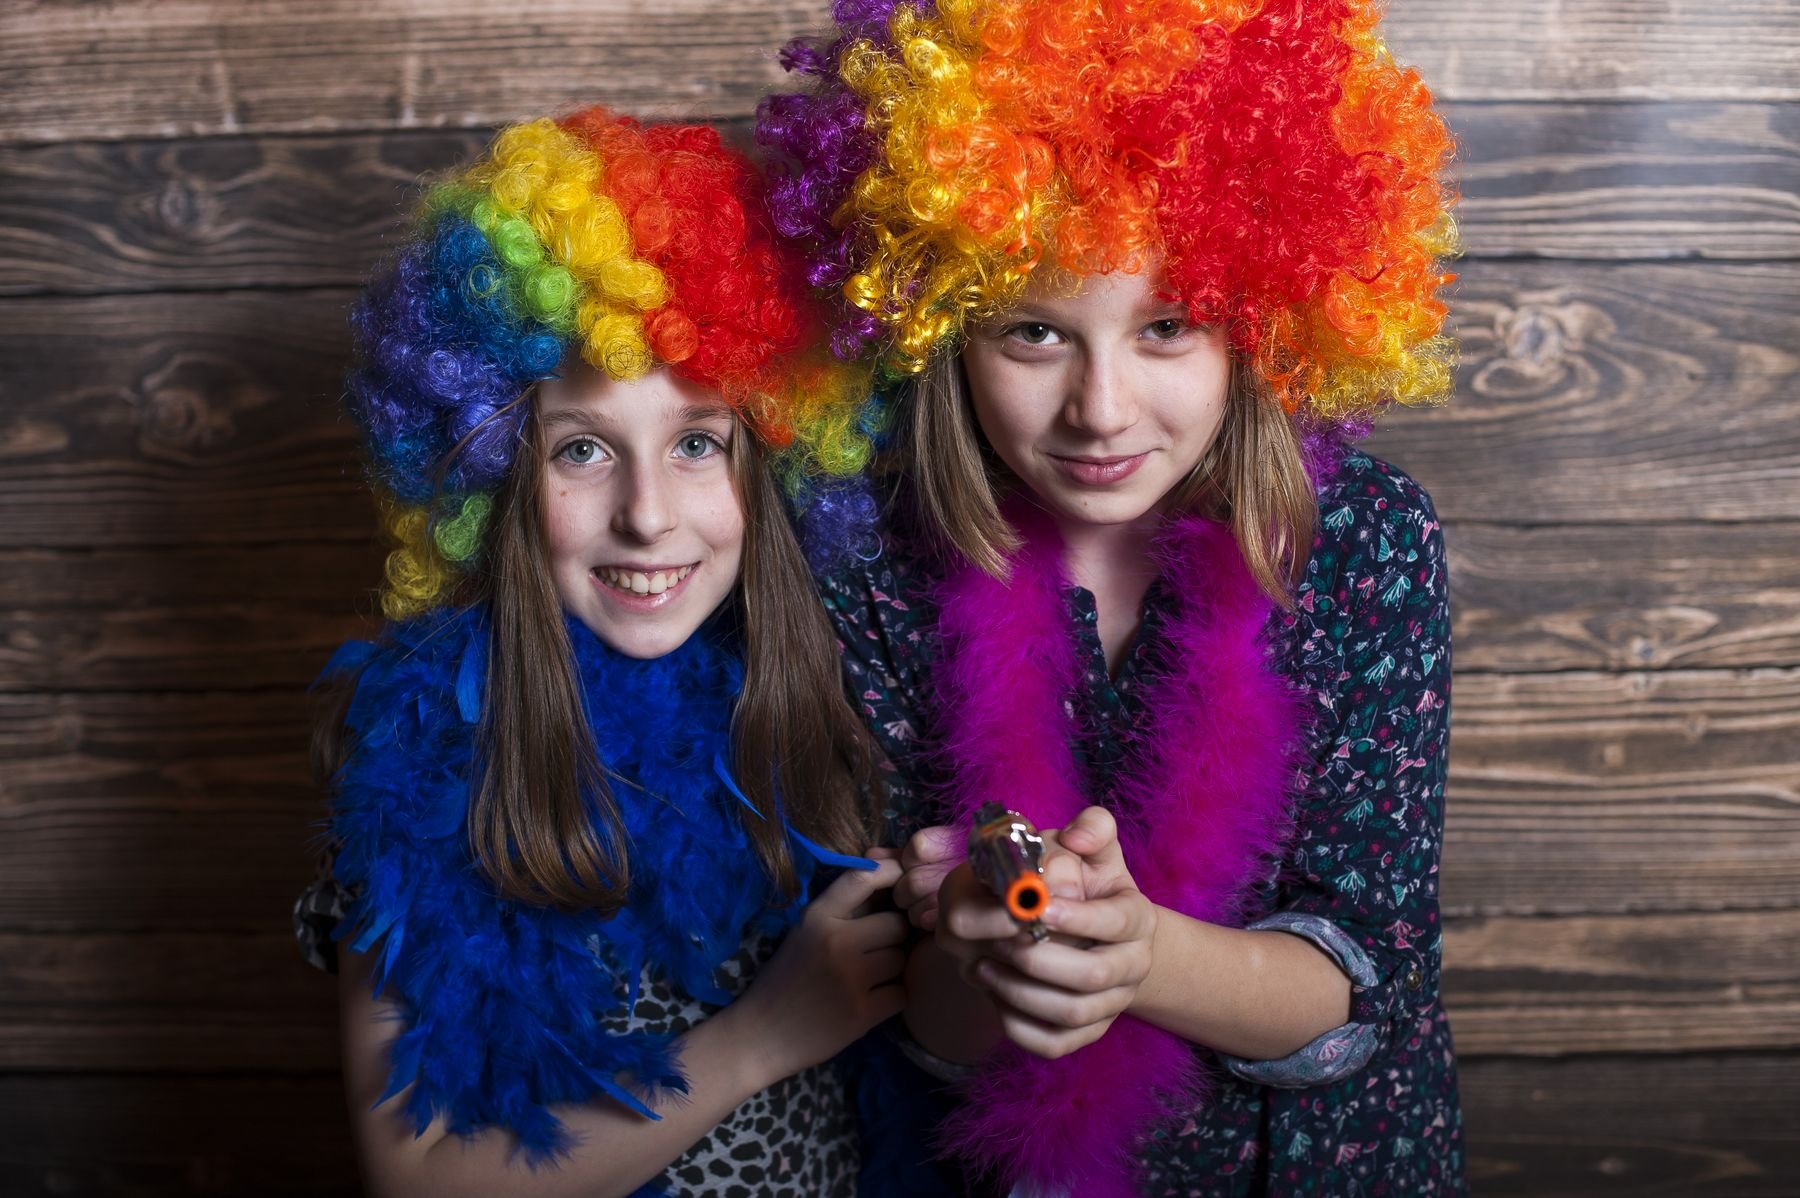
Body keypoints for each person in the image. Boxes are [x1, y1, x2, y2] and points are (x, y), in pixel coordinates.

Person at [756, 0, 1467, 1193]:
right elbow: (914, 1023)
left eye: (1167, 326)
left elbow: (1368, 976)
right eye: (1033, 332)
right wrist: (978, 946)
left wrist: (1140, 955)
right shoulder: (869, 561)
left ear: (1259, 320)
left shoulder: (1365, 541)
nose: (1100, 408)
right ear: (938, 323)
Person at [292, 106, 911, 1198]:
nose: (647, 515)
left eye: (696, 443)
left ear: (777, 453)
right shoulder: (427, 754)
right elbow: (415, 1178)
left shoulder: (830, 684)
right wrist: (763, 1038)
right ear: (489, 478)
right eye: (581, 449)